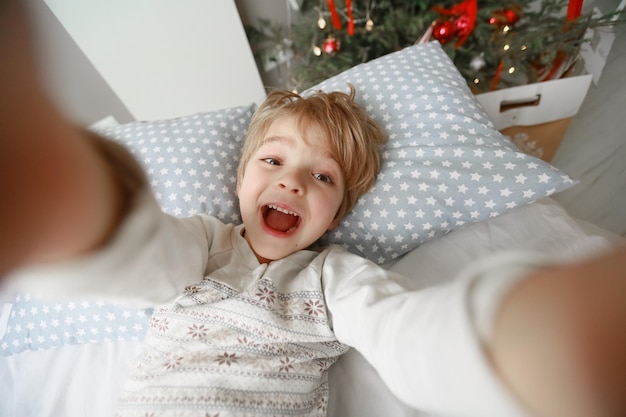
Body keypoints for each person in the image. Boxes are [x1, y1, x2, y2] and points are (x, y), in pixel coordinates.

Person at [2, 2, 626, 417]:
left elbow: (401, 330)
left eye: (321, 175)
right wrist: (91, 224)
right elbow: (147, 267)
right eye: (272, 162)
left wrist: (501, 345)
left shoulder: (334, 279)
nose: (292, 182)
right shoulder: (202, 242)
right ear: (241, 179)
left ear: (340, 209)